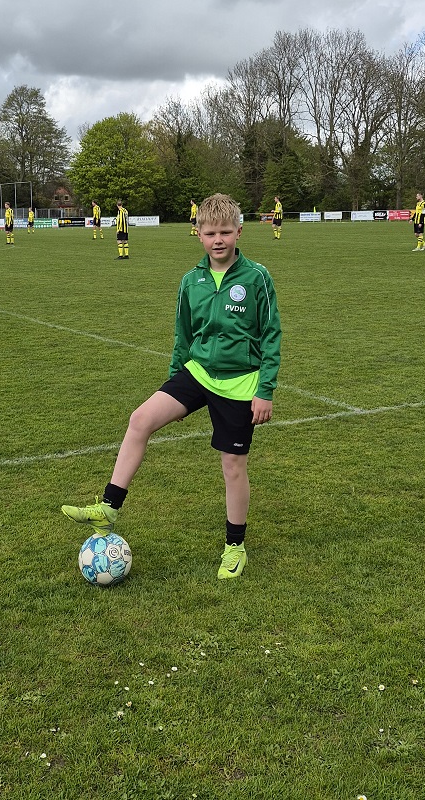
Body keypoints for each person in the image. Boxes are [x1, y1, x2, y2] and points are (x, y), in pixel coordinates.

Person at [62, 193, 281, 580]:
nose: (218, 240)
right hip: (196, 372)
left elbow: (271, 334)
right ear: (197, 234)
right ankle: (109, 506)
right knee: (141, 418)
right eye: (210, 232)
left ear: (239, 232)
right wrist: (173, 387)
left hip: (240, 382)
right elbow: (183, 336)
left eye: (226, 232)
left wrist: (265, 389)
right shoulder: (190, 281)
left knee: (232, 465)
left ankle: (235, 546)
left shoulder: (256, 277)